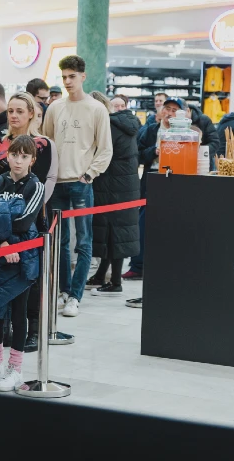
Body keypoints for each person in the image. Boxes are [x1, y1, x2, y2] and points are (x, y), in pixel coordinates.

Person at [41, 55, 112, 319]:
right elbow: (46, 142)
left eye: (72, 76)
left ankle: (75, 296)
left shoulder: (97, 109)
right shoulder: (55, 108)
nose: (68, 81)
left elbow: (105, 150)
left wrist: (88, 175)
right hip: (56, 183)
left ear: (83, 76)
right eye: (64, 77)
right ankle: (63, 289)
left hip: (81, 183)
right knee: (60, 241)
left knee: (84, 242)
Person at [0, 92, 57, 351]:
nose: (14, 115)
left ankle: (32, 330)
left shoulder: (43, 144)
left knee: (31, 277)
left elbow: (46, 180)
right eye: (11, 111)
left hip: (30, 218)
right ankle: (1, 331)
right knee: (1, 272)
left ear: (31, 113)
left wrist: (32, 208)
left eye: (19, 111)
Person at [0, 134, 44, 393]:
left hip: (23, 256)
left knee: (19, 310)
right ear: (7, 155)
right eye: (14, 154)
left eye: (24, 156)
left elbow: (26, 222)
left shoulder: (35, 186)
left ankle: (15, 368)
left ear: (32, 160)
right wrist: (3, 244)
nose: (18, 160)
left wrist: (6, 238)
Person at [86, 93, 140, 296]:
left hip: (112, 185)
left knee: (114, 233)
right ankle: (102, 275)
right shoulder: (124, 123)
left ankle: (115, 281)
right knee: (114, 231)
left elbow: (99, 154)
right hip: (123, 185)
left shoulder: (110, 126)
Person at [124, 96, 181, 288]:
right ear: (161, 111)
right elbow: (137, 154)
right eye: (167, 109)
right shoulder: (149, 130)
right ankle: (137, 265)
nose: (170, 113)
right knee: (142, 222)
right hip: (151, 178)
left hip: (176, 181)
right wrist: (153, 152)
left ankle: (169, 265)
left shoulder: (185, 133)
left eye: (174, 110)